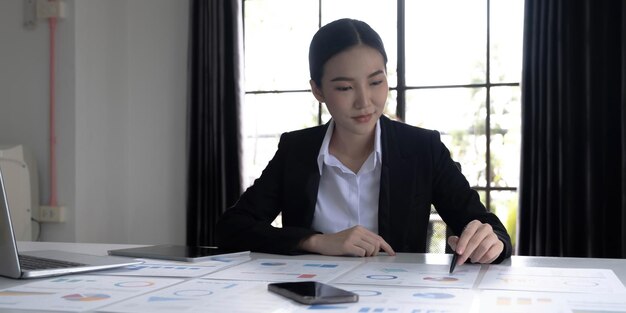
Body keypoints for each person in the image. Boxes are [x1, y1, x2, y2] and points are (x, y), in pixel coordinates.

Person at [216, 18, 512, 265]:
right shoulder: (297, 150)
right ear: (317, 90)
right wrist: (317, 242)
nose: (365, 102)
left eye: (376, 82)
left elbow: (488, 226)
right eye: (345, 87)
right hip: (310, 299)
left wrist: (490, 241)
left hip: (398, 300)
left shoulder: (422, 148)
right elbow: (232, 229)